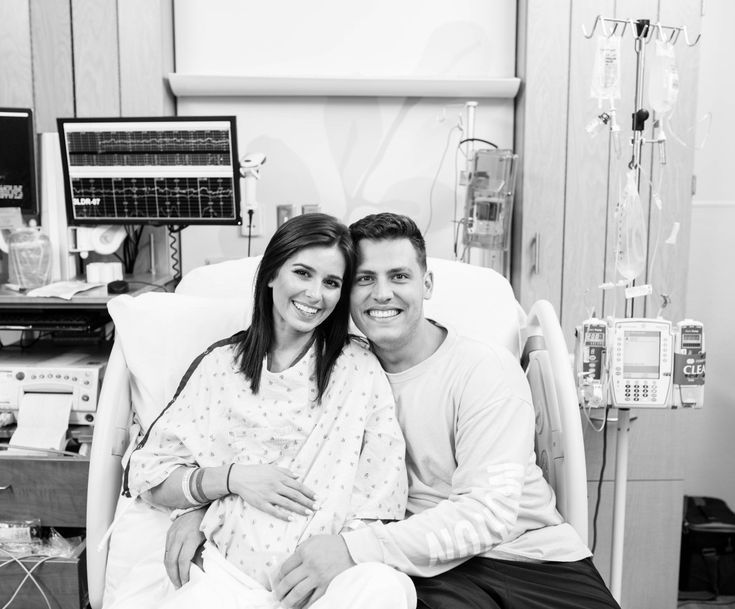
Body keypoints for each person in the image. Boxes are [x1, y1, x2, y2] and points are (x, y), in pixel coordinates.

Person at [166, 212, 621, 609]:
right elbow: (266, 452)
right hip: (427, 572)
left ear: (426, 283)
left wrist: (353, 549)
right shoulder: (334, 372)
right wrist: (200, 499)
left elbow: (487, 514)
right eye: (365, 279)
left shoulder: (482, 370)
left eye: (399, 276)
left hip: (529, 557)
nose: (381, 293)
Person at [113, 213, 413, 609]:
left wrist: (337, 555)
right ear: (271, 273)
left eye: (331, 283)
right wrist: (232, 479)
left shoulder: (356, 369)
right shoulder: (220, 367)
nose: (315, 294)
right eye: (302, 273)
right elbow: (150, 476)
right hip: (223, 575)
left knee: (387, 589)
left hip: (323, 585)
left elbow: (381, 496)